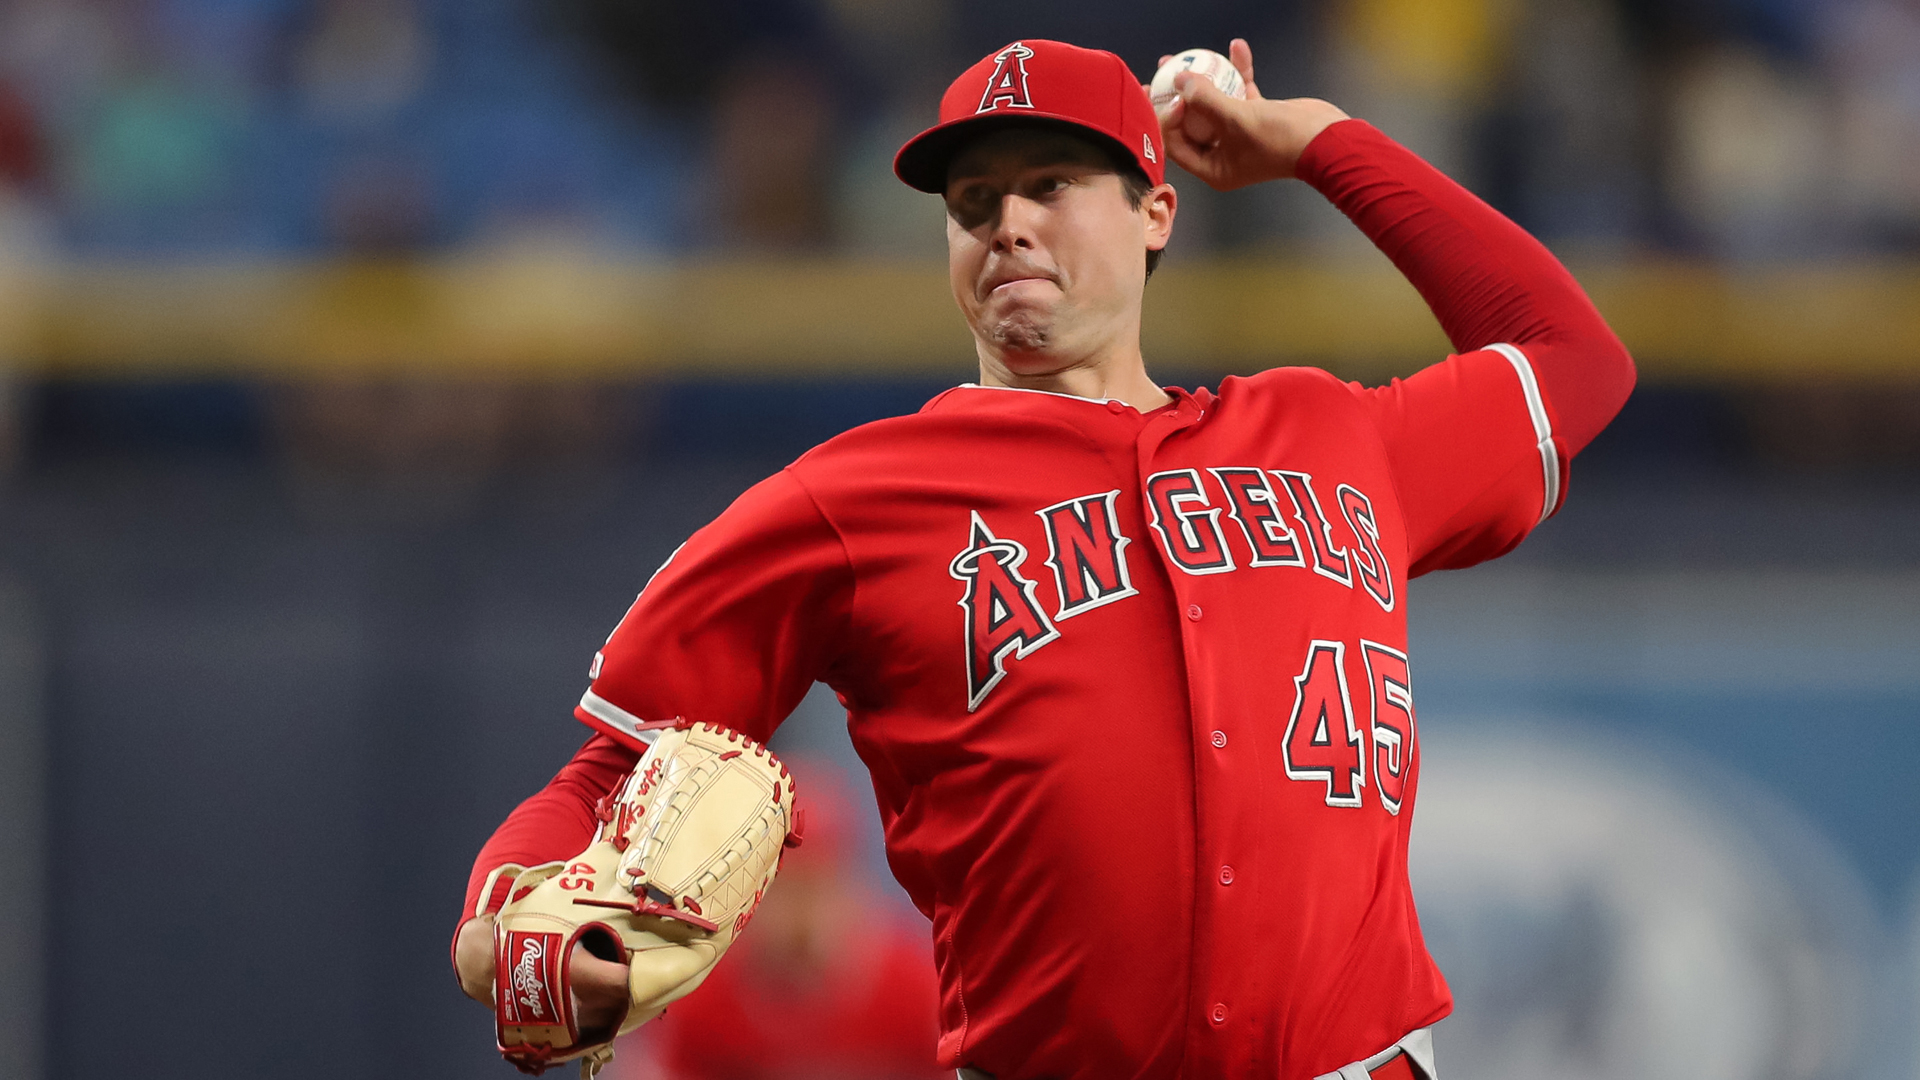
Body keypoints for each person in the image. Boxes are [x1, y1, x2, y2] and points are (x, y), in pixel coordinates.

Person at [453, 37, 1635, 1080]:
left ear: (1156, 211)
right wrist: (505, 930)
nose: (1007, 222)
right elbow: (615, 763)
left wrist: (1320, 143)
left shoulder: (1333, 439)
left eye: (1052, 186)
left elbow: (1575, 359)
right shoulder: (855, 499)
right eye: (975, 202)